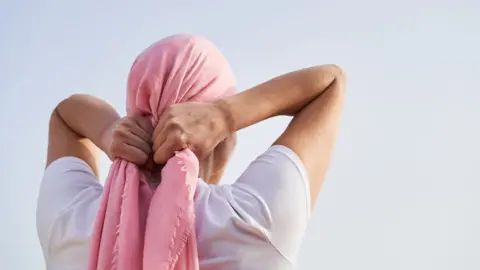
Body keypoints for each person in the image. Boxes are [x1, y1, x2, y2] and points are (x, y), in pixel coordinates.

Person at [36, 36, 346, 270]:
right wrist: (226, 115)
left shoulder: (71, 220)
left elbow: (65, 117)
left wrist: (109, 132)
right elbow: (330, 83)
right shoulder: (254, 219)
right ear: (220, 139)